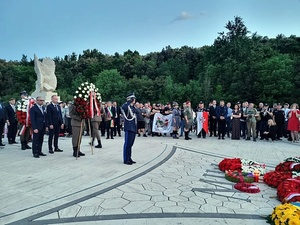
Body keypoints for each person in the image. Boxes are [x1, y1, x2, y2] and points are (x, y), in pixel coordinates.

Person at [122, 93, 137, 165]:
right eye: (133, 99)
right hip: (128, 127)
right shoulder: (126, 106)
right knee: (127, 144)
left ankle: (129, 157)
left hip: (133, 127)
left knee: (131, 144)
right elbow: (123, 108)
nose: (135, 100)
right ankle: (126, 159)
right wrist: (128, 101)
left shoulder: (132, 107)